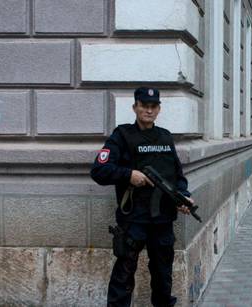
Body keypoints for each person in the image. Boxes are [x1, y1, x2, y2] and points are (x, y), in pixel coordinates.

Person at [91, 87, 194, 307]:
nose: (148, 110)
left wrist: (184, 197)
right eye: (143, 106)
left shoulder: (165, 137)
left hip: (162, 220)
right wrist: (129, 175)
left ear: (158, 109)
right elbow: (99, 170)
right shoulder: (122, 135)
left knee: (163, 274)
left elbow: (177, 176)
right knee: (124, 274)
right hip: (134, 221)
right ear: (135, 107)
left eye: (153, 106)